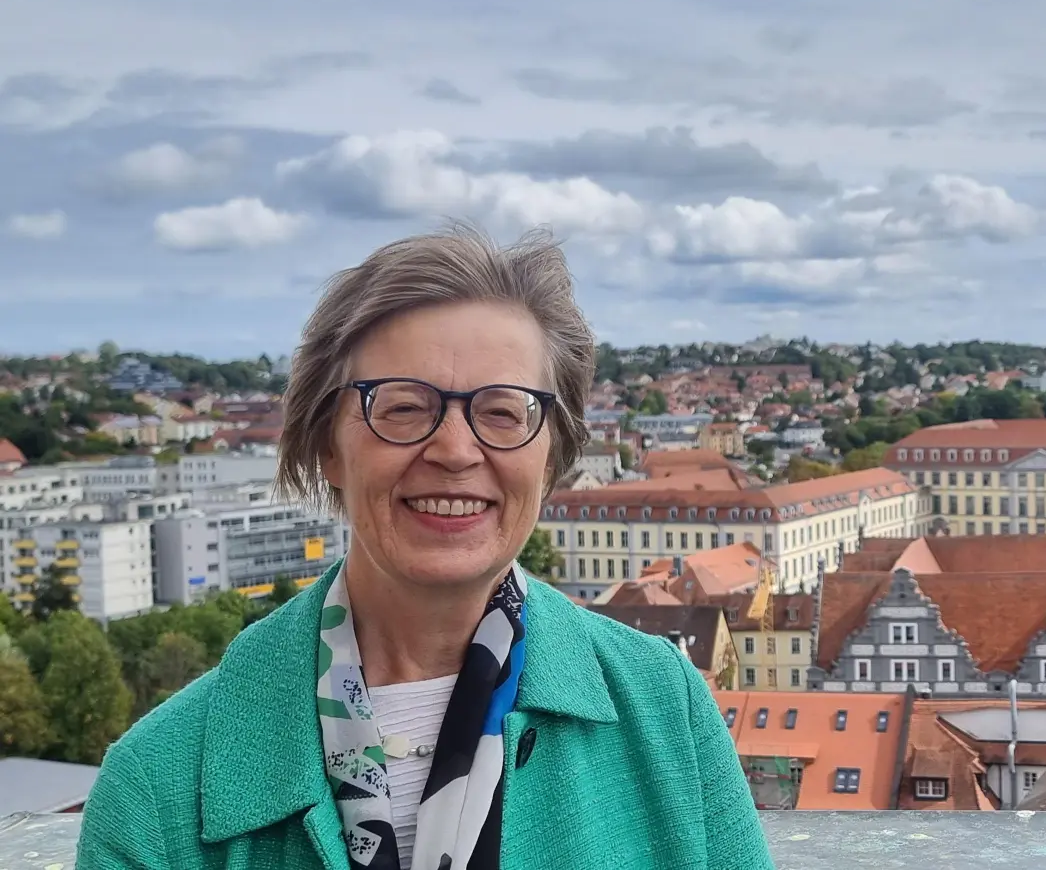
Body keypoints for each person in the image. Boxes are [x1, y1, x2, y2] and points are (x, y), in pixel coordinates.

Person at [76, 225, 775, 870]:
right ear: (327, 446)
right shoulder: (157, 787)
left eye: (503, 411)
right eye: (404, 408)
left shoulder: (664, 708)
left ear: (551, 455)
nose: (455, 450)